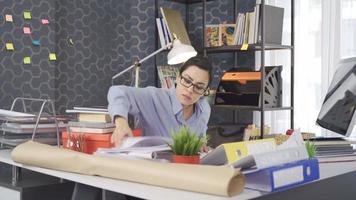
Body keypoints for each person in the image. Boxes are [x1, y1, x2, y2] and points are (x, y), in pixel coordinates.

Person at [107, 55, 213, 148]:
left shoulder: (204, 109)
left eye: (199, 87)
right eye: (187, 80)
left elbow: (201, 139)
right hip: (152, 166)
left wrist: (200, 144)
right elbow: (117, 91)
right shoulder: (154, 98)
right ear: (178, 77)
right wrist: (121, 123)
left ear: (205, 91)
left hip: (186, 168)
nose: (190, 90)